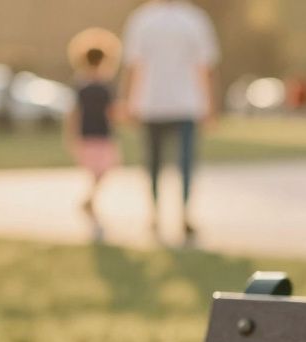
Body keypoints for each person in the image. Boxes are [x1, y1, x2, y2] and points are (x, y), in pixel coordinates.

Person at [118, 0, 219, 248]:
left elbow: (133, 66)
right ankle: (182, 215)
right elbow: (204, 66)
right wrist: (209, 105)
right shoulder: (195, 18)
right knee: (184, 164)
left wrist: (128, 101)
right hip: (186, 103)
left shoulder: (142, 19)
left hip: (153, 103)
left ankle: (156, 215)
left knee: (153, 162)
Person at [64, 30, 122, 245]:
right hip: (91, 134)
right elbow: (75, 113)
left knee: (105, 169)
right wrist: (73, 135)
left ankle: (90, 200)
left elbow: (110, 112)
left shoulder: (104, 86)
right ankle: (90, 200)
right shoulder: (83, 86)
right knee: (97, 170)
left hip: (102, 133)